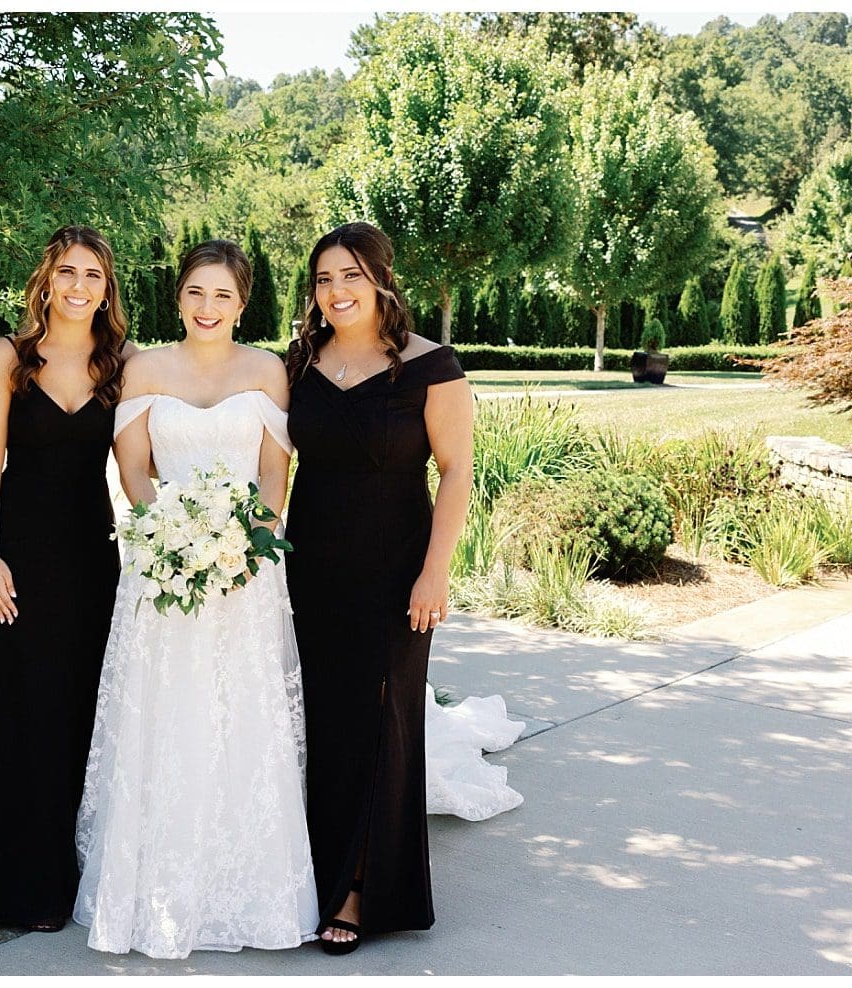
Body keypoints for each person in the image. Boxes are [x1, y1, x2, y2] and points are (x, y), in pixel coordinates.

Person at [71, 240, 319, 958]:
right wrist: (171, 538)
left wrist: (250, 546)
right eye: (195, 294)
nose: (207, 309)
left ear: (243, 304)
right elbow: (134, 469)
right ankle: (153, 887)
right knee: (166, 716)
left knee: (242, 719)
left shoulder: (267, 371)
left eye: (223, 296)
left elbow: (276, 474)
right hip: (162, 567)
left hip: (247, 576)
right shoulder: (143, 367)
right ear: (177, 297)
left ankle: (245, 889)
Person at [0, 225, 134, 931]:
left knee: (74, 710)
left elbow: (143, 459)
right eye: (68, 272)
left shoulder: (123, 363)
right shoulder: (8, 358)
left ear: (108, 289)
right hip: (14, 554)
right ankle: (9, 879)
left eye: (94, 276)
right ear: (45, 280)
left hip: (90, 558)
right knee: (15, 709)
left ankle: (62, 866)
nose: (79, 287)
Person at [284, 222, 474, 954]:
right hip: (312, 566)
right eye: (325, 279)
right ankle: (319, 871)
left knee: (383, 722)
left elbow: (455, 470)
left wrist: (435, 571)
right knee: (327, 724)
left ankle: (362, 888)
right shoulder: (300, 361)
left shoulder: (431, 366)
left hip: (397, 567)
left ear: (382, 280)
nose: (336, 292)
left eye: (351, 276)